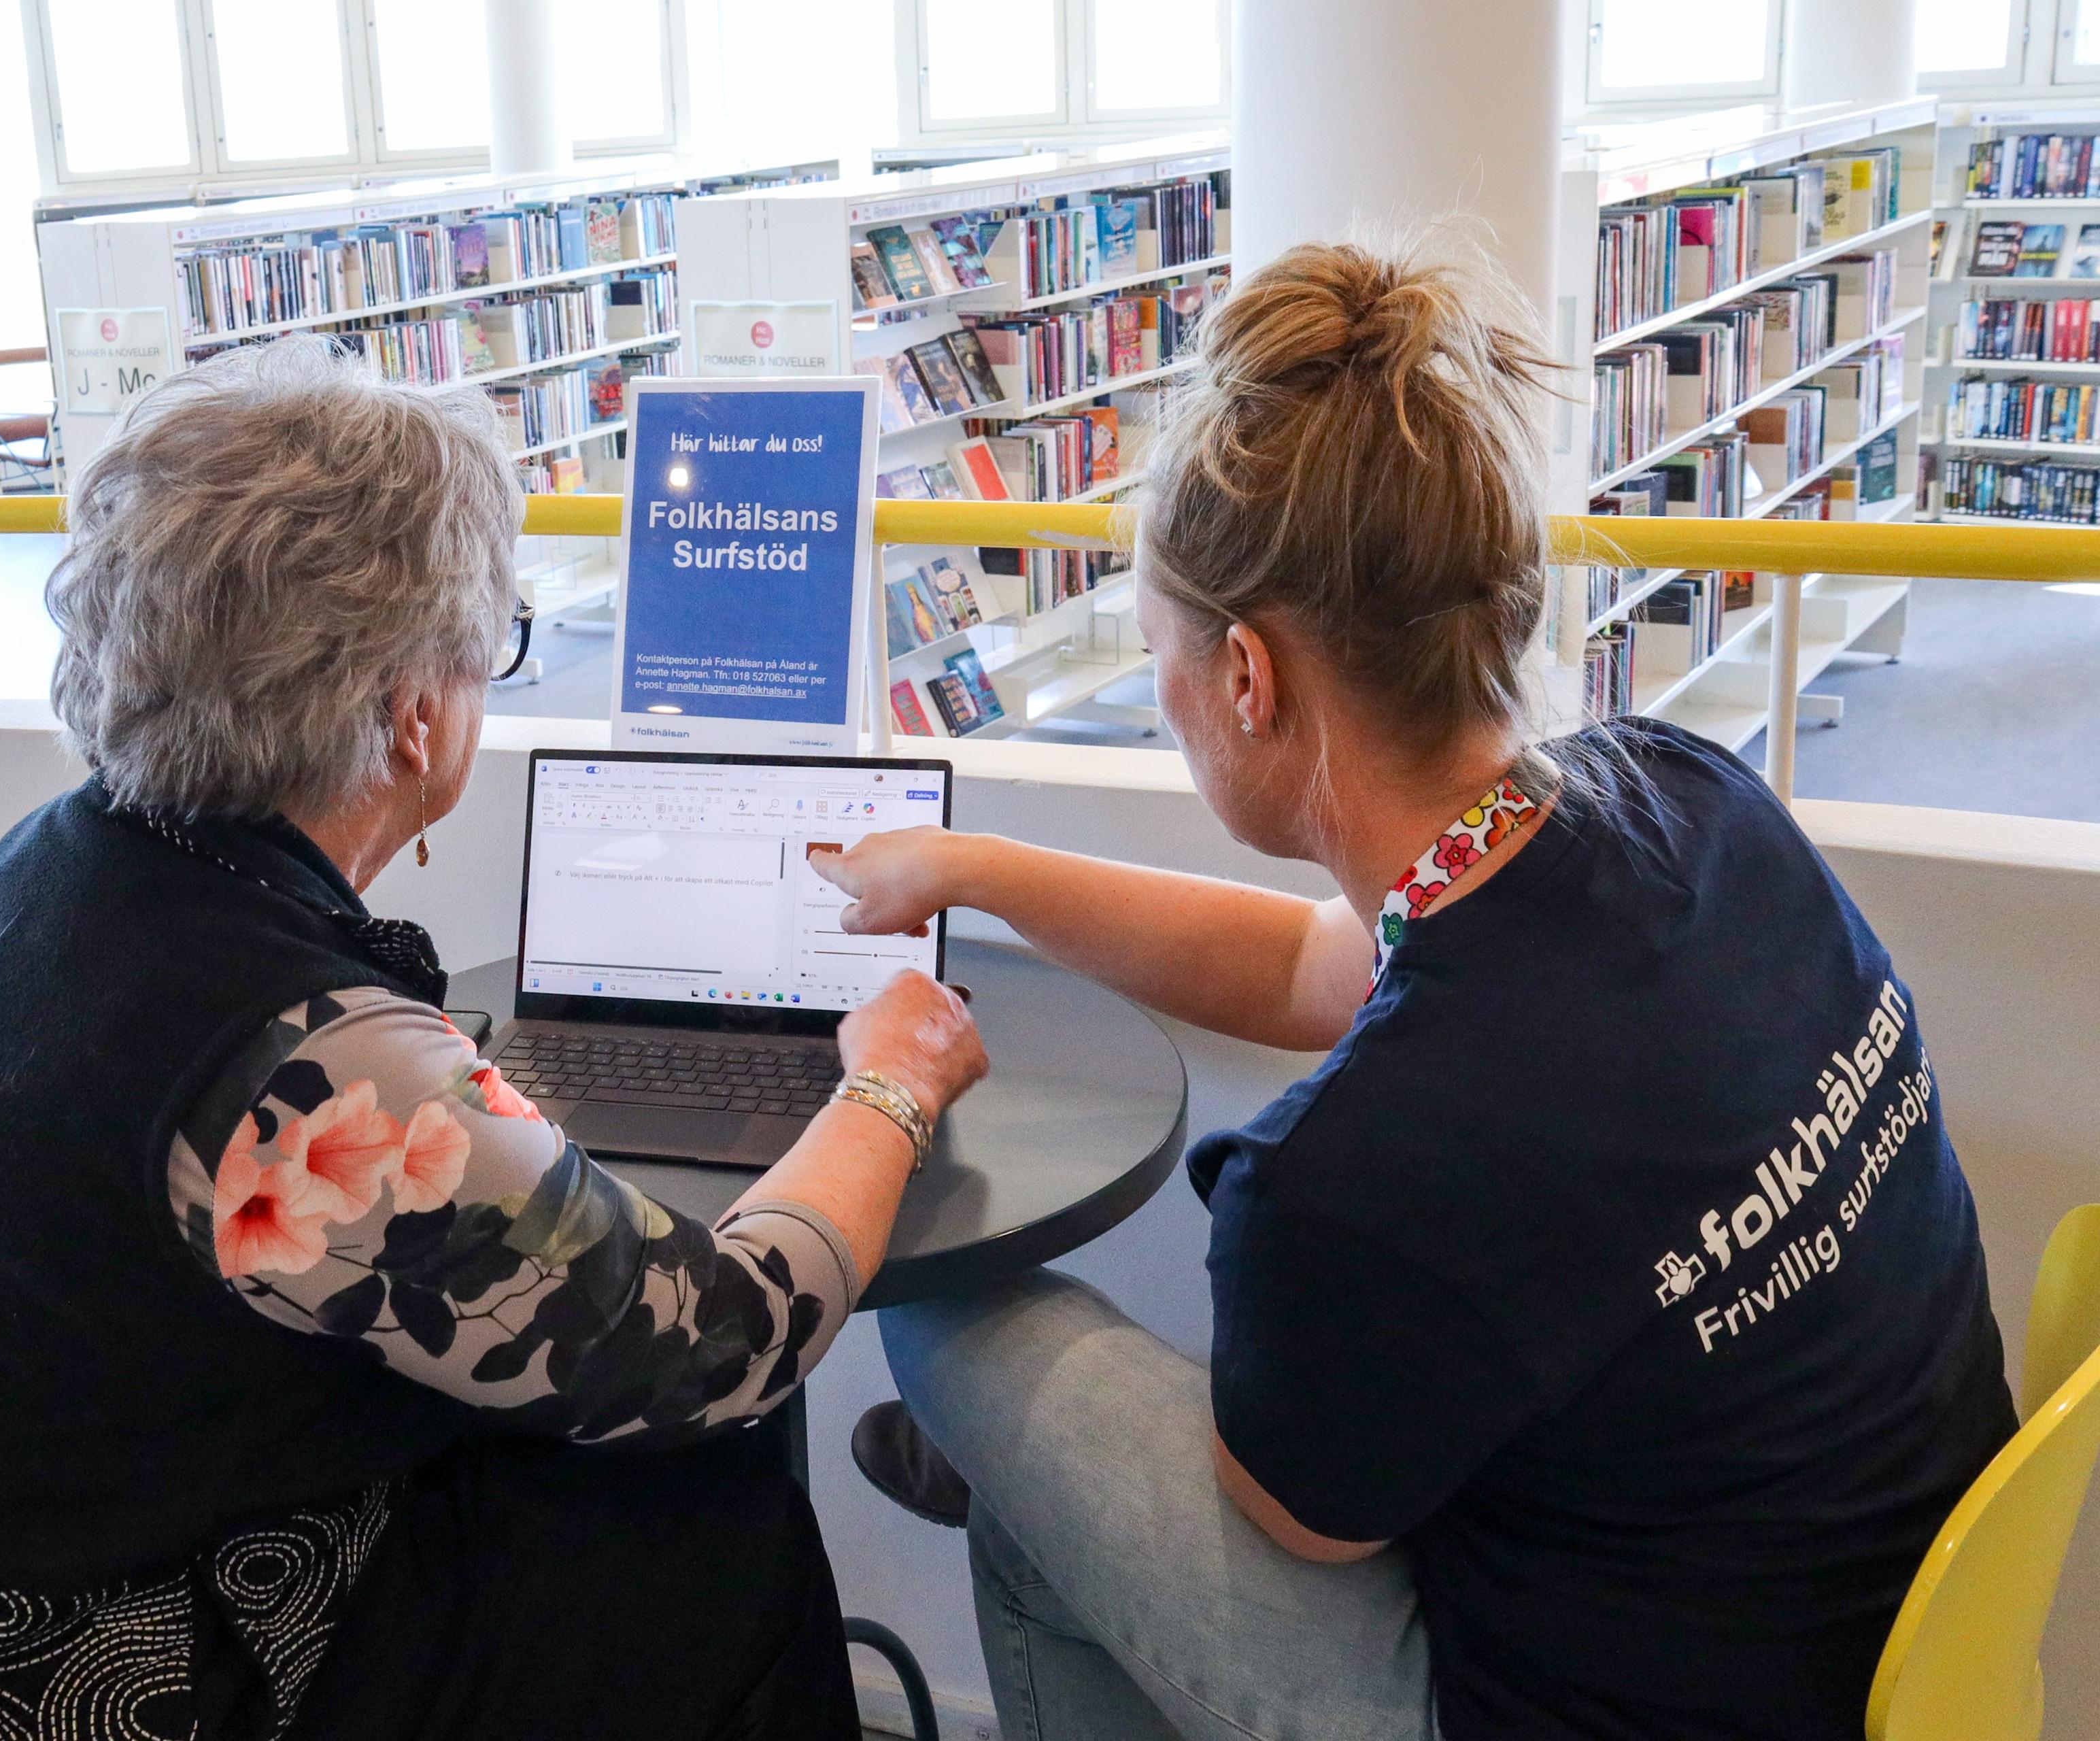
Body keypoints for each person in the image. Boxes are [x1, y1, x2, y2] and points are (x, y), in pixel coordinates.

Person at [815, 239, 2017, 1741]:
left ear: (1247, 677)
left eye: (1161, 650)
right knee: (1061, 1506)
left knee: (948, 1316)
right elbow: (1308, 962)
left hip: (1629, 1708)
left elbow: (1304, 1527)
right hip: (1901, 1621)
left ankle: (1001, 1478)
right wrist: (980, 867)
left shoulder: (1353, 1173)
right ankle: (1016, 1493)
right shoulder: (1693, 801)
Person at [0, 335, 987, 1741]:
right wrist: (895, 1077)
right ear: (411, 717)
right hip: (65, 1676)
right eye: (489, 653)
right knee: (721, 1514)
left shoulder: (61, 863)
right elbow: (727, 1341)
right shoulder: (303, 1064)